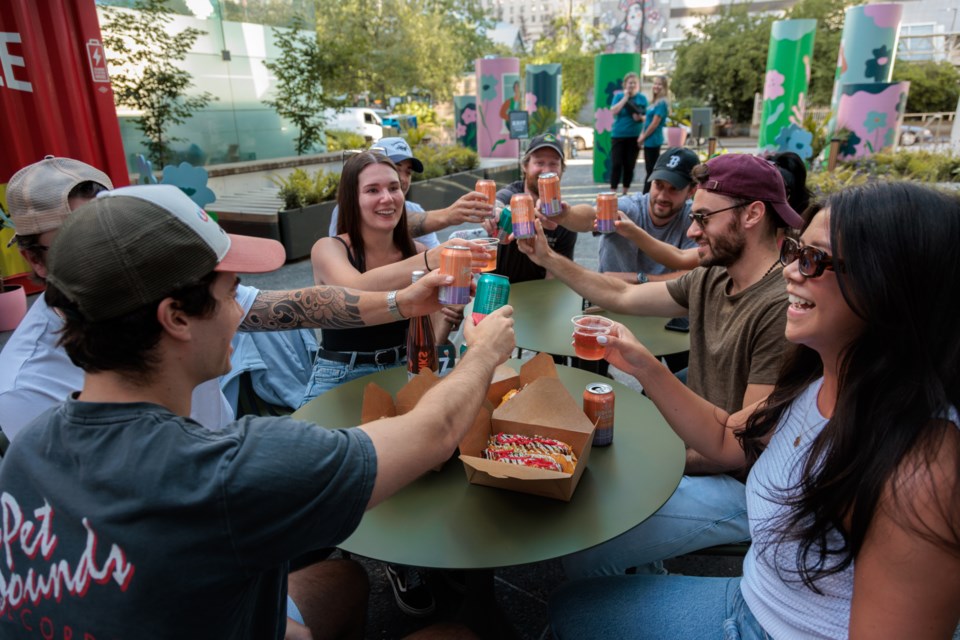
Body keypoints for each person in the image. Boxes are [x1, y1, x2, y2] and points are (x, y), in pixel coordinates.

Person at [0, 183, 516, 638]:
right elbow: (437, 430)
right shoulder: (229, 468)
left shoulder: (27, 449)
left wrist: (403, 301)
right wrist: (485, 352)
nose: (242, 311)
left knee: (341, 580)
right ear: (175, 317)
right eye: (230, 296)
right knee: (455, 633)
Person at [550, 181, 960, 639]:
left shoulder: (921, 472)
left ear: (894, 287)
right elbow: (730, 438)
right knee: (567, 607)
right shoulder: (818, 376)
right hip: (755, 594)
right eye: (795, 252)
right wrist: (644, 364)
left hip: (776, 628)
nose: (789, 273)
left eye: (814, 260)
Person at [0, 157, 456, 440]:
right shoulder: (26, 386)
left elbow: (297, 305)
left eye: (114, 229)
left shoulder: (170, 293)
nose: (236, 312)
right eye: (81, 242)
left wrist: (404, 304)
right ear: (34, 259)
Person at [517, 153, 803, 578]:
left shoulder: (780, 306)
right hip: (703, 449)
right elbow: (623, 297)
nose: (691, 230)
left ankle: (607, 612)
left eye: (703, 218)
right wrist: (548, 259)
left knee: (590, 538)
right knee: (599, 493)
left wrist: (654, 459)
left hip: (746, 487)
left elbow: (744, 448)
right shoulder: (713, 275)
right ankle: (646, 581)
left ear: (753, 215)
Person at [302, 151, 482, 408]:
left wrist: (448, 309)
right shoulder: (329, 249)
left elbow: (430, 342)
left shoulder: (418, 253)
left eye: (394, 187)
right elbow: (355, 290)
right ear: (352, 199)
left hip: (404, 369)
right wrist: (433, 258)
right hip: (341, 374)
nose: (387, 198)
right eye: (372, 190)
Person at [555, 146, 699, 285]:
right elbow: (590, 218)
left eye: (673, 189)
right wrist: (566, 215)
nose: (662, 196)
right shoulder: (630, 208)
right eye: (658, 185)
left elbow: (694, 276)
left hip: (663, 301)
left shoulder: (694, 220)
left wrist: (639, 279)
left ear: (691, 191)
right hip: (612, 295)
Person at [327, 137, 494, 247]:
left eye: (408, 172)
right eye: (394, 167)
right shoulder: (331, 248)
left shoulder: (415, 217)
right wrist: (448, 215)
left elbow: (434, 260)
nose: (402, 179)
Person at [481, 133, 577, 283]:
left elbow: (556, 275)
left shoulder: (565, 217)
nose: (546, 170)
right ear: (525, 166)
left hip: (538, 291)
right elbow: (498, 202)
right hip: (498, 291)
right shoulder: (512, 195)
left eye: (553, 163)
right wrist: (493, 214)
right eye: (539, 163)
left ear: (561, 169)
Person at [608, 72, 647, 195]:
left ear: (638, 85)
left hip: (634, 136)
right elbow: (613, 110)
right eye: (630, 83)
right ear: (625, 84)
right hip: (618, 135)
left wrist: (640, 118)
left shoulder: (642, 98)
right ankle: (613, 191)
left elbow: (648, 117)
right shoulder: (619, 96)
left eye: (634, 83)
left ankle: (625, 191)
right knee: (616, 163)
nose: (632, 85)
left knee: (629, 165)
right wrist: (625, 98)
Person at [637, 75, 669, 194]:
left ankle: (646, 196)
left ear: (664, 87)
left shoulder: (662, 103)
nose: (656, 86)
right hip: (649, 141)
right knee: (649, 170)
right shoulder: (654, 102)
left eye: (659, 84)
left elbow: (655, 123)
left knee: (651, 171)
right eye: (655, 83)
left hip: (653, 140)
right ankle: (647, 195)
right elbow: (648, 120)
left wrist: (642, 137)